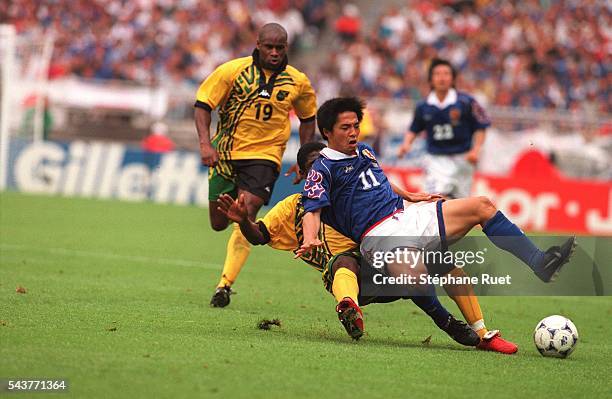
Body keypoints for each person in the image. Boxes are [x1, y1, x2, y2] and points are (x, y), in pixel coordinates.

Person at [298, 97, 576, 329]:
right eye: (345, 128)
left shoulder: (365, 151)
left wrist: (407, 194)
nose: (353, 133)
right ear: (327, 132)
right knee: (417, 277)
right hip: (378, 236)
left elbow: (375, 180)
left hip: (408, 215)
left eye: (356, 126)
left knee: (483, 206)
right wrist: (310, 237)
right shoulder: (322, 169)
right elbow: (313, 206)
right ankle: (451, 324)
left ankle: (540, 262)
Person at [216, 142, 518, 353]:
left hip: (383, 265)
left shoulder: (355, 195)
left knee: (435, 260)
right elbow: (257, 236)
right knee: (341, 262)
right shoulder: (291, 209)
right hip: (352, 279)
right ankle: (351, 308)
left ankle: (480, 332)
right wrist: (244, 220)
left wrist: (410, 196)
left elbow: (381, 184)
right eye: (313, 168)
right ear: (308, 176)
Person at [194, 23, 317, 307]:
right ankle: (226, 276)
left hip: (266, 156)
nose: (274, 53)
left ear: (287, 47)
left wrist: (304, 159)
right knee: (218, 223)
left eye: (280, 48)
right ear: (258, 44)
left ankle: (224, 285)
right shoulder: (232, 71)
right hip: (225, 154)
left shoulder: (297, 81)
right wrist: (205, 143)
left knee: (245, 213)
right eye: (269, 47)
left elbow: (308, 118)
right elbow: (202, 104)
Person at [397, 58, 489, 198]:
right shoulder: (424, 106)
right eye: (437, 74)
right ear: (430, 80)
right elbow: (414, 128)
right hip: (435, 159)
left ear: (452, 79)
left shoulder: (466, 102)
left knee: (460, 205)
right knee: (436, 199)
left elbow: (481, 126)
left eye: (446, 73)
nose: (442, 78)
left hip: (463, 159)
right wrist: (406, 144)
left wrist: (476, 150)